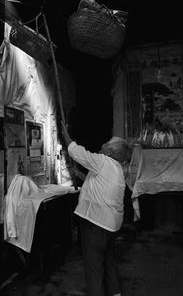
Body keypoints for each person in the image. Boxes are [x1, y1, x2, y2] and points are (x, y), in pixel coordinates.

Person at [61, 121, 131, 296]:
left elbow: (79, 153)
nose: (103, 144)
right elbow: (99, 186)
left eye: (106, 143)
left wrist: (66, 135)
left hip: (96, 224)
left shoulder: (103, 161)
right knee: (108, 262)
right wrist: (79, 175)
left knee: (94, 270)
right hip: (111, 227)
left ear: (110, 151)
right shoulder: (116, 169)